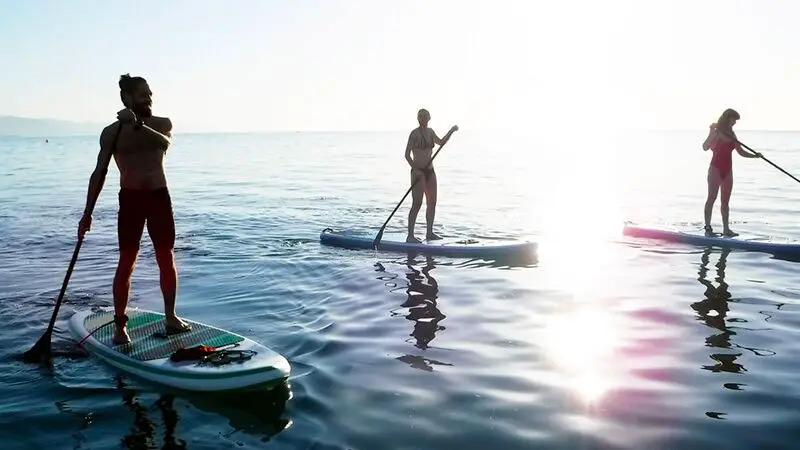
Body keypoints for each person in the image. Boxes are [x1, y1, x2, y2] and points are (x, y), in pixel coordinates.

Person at [77, 74, 191, 345]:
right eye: (142, 94)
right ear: (127, 98)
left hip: (159, 198)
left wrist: (138, 124)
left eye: (150, 93)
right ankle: (120, 327)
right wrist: (87, 212)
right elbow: (99, 172)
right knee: (127, 261)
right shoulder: (112, 132)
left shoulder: (162, 124)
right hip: (130, 200)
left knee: (166, 256)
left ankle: (171, 317)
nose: (148, 97)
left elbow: (164, 144)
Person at [702, 108, 761, 237]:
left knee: (725, 202)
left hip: (728, 171)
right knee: (711, 198)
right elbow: (705, 147)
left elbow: (740, 152)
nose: (735, 122)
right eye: (733, 119)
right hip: (715, 169)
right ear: (727, 118)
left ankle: (726, 230)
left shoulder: (732, 135)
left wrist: (755, 156)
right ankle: (707, 229)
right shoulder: (716, 132)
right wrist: (711, 132)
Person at [404, 108, 458, 243]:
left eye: (425, 116)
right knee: (417, 203)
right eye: (421, 116)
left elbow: (441, 142)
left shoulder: (430, 132)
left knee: (432, 202)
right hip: (418, 172)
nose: (423, 119)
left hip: (430, 171)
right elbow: (407, 154)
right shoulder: (414, 134)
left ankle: (429, 233)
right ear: (418, 118)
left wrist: (451, 131)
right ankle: (410, 236)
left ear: (429, 118)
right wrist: (415, 170)